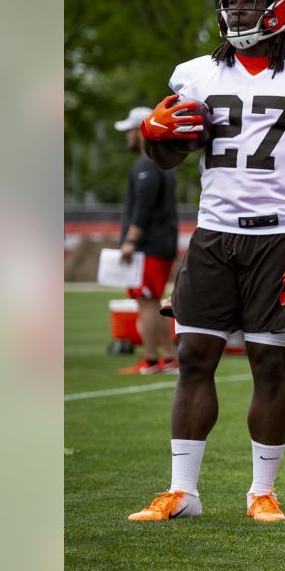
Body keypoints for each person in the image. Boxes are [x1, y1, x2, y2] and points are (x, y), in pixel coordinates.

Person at [126, 0, 285, 525]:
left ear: (284, 4)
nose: (239, 7)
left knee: (269, 365)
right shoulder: (194, 73)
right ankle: (183, 491)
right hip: (214, 233)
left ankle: (261, 489)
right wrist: (155, 137)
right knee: (192, 357)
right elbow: (170, 154)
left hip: (278, 237)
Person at [114, 105, 180, 375]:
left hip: (149, 247)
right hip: (159, 245)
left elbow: (143, 207)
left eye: (131, 130)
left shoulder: (147, 165)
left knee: (148, 302)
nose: (128, 136)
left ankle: (152, 359)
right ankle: (166, 357)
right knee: (150, 302)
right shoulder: (162, 162)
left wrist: (130, 241)